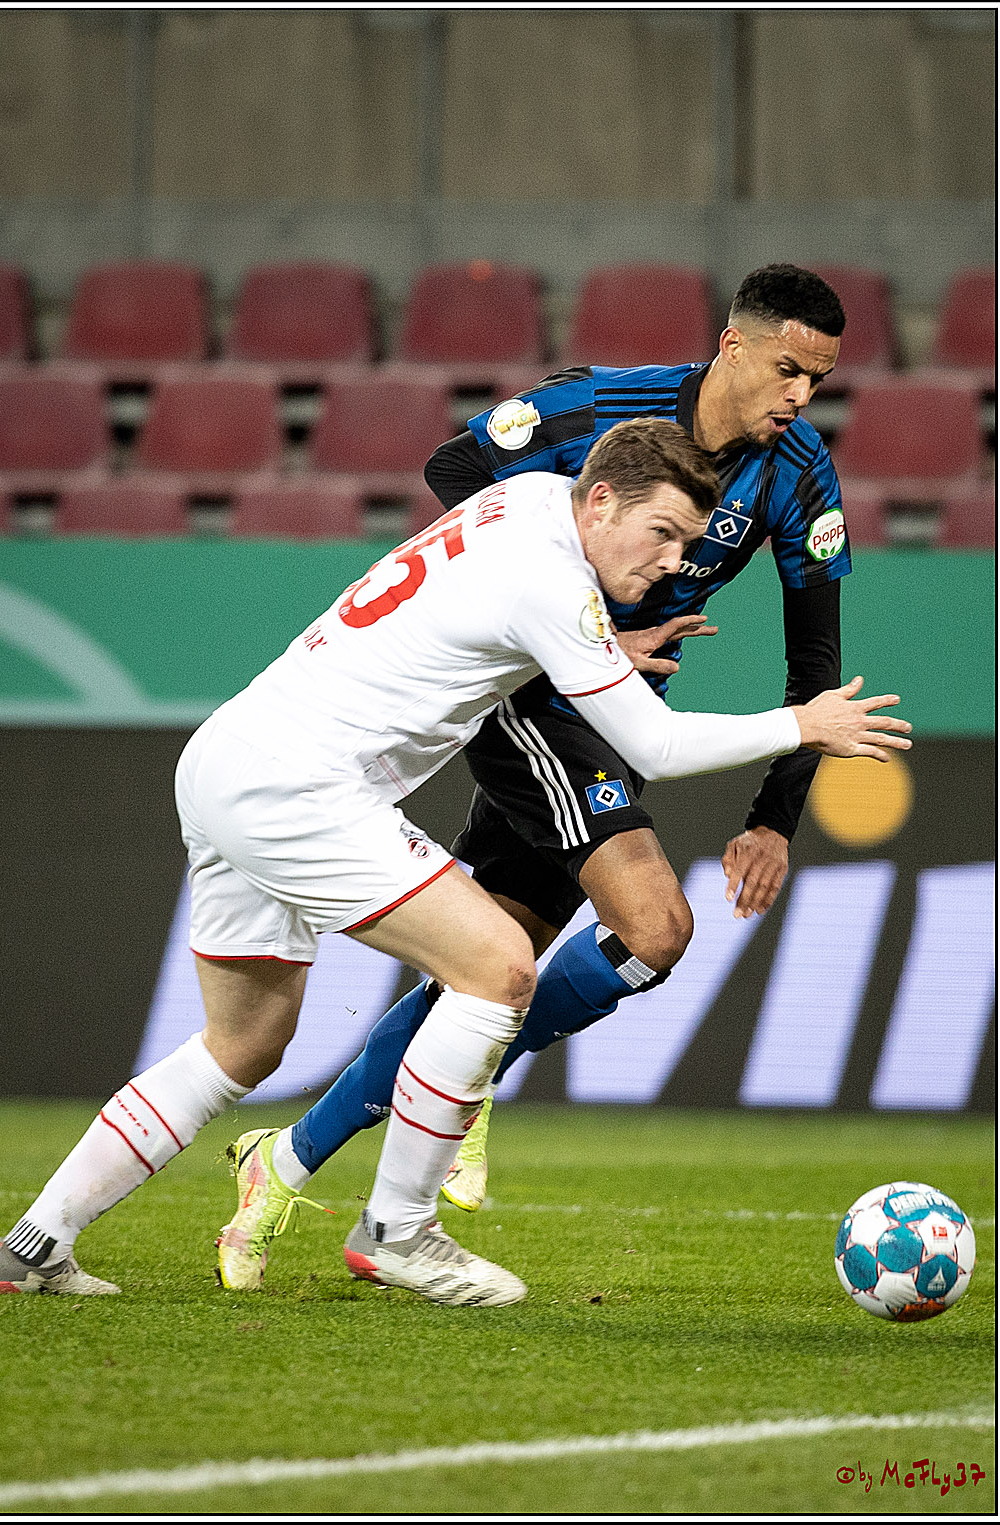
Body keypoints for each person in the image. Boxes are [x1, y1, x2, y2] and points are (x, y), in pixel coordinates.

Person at [0, 418, 910, 1307]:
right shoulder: (551, 581)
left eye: (687, 542)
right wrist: (806, 723)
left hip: (229, 759)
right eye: (663, 533)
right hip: (300, 787)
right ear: (600, 500)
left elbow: (490, 618)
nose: (674, 562)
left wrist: (596, 647)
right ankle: (397, 1231)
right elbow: (657, 745)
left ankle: (35, 1242)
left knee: (244, 1044)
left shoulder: (522, 503)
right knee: (499, 969)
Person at [212, 263, 865, 1291]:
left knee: (492, 963)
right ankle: (428, 1148)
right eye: (786, 369)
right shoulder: (607, 404)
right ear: (732, 345)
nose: (799, 396)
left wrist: (774, 818)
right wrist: (575, 623)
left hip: (600, 710)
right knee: (653, 929)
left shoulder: (799, 474)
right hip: (534, 700)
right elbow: (453, 465)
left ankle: (285, 1158)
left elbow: (815, 662)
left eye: (818, 380)